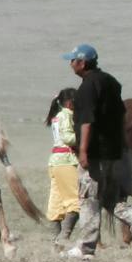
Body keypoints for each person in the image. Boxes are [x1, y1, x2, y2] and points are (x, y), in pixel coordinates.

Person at [62, 44, 132, 259]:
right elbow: (119, 116)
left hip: (96, 152)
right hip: (114, 151)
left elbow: (87, 121)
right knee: (108, 198)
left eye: (72, 60)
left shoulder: (87, 88)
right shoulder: (111, 82)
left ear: (82, 63)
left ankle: (86, 247)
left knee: (88, 197)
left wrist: (84, 151)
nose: (70, 64)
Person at [45, 88, 80, 244]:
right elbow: (68, 137)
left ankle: (56, 243)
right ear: (69, 102)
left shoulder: (56, 117)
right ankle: (63, 238)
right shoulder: (67, 115)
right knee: (75, 202)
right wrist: (85, 137)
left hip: (55, 162)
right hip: (67, 160)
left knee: (56, 205)